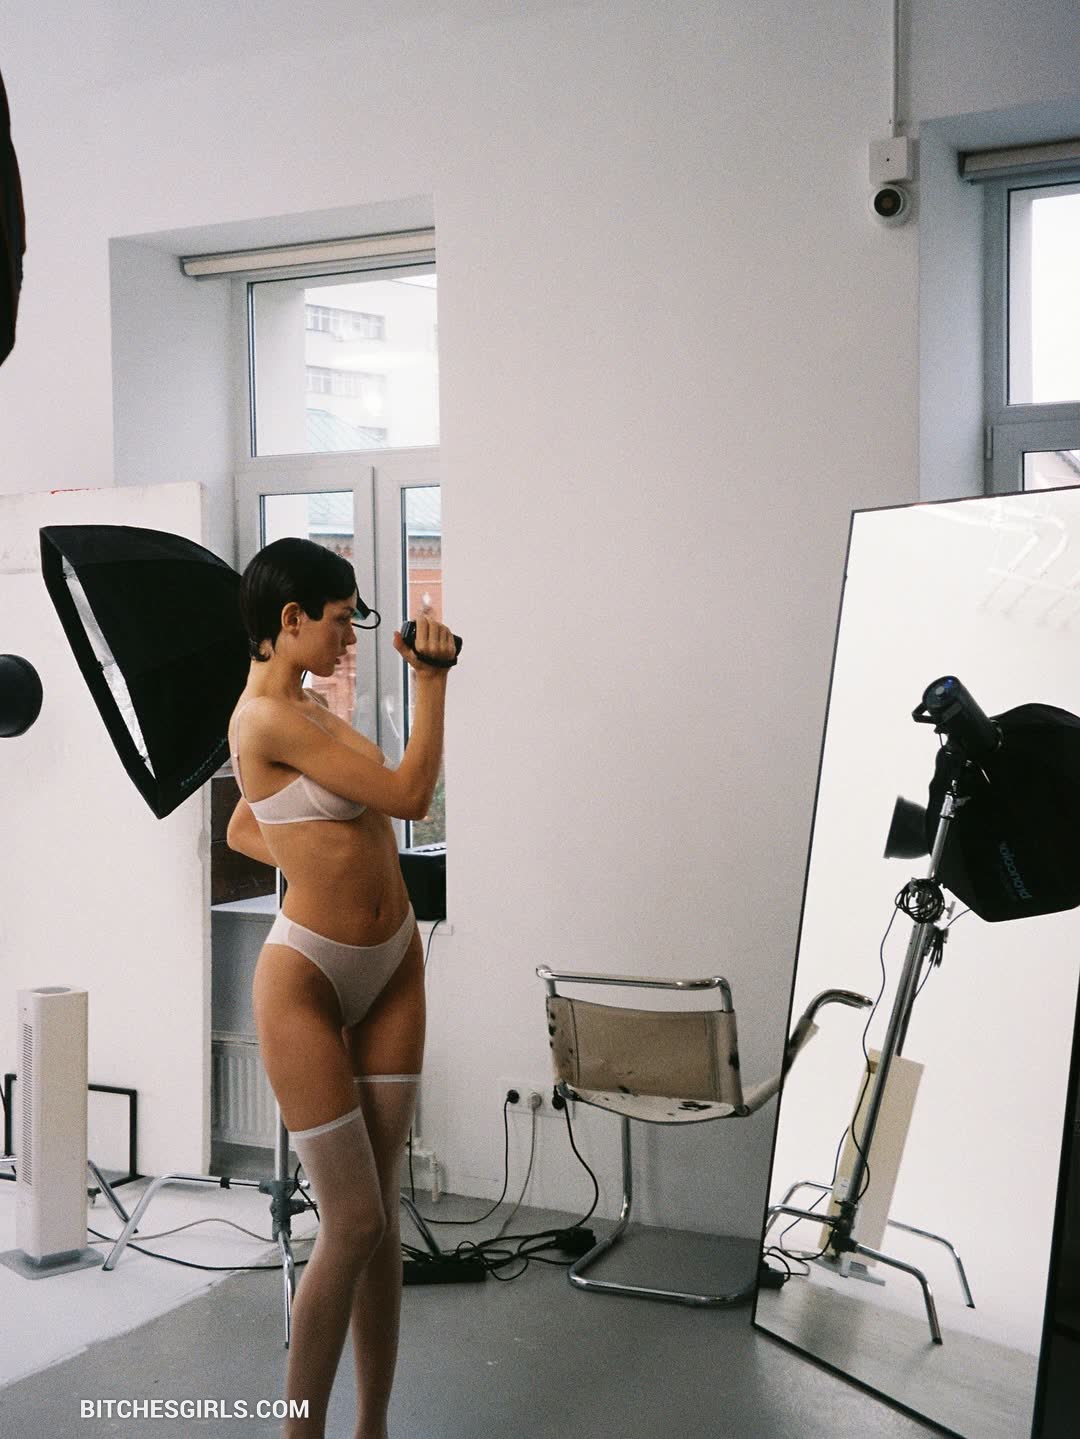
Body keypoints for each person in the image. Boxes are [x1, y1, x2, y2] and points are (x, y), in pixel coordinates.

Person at [225, 536, 456, 1439]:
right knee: (352, 1220)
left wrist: (301, 842)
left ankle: (373, 1428)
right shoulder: (262, 721)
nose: (349, 637)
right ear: (290, 619)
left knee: (380, 1210)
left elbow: (247, 824)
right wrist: (431, 680)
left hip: (393, 959)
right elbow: (410, 793)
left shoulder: (310, 708)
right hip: (308, 977)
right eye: (338, 620)